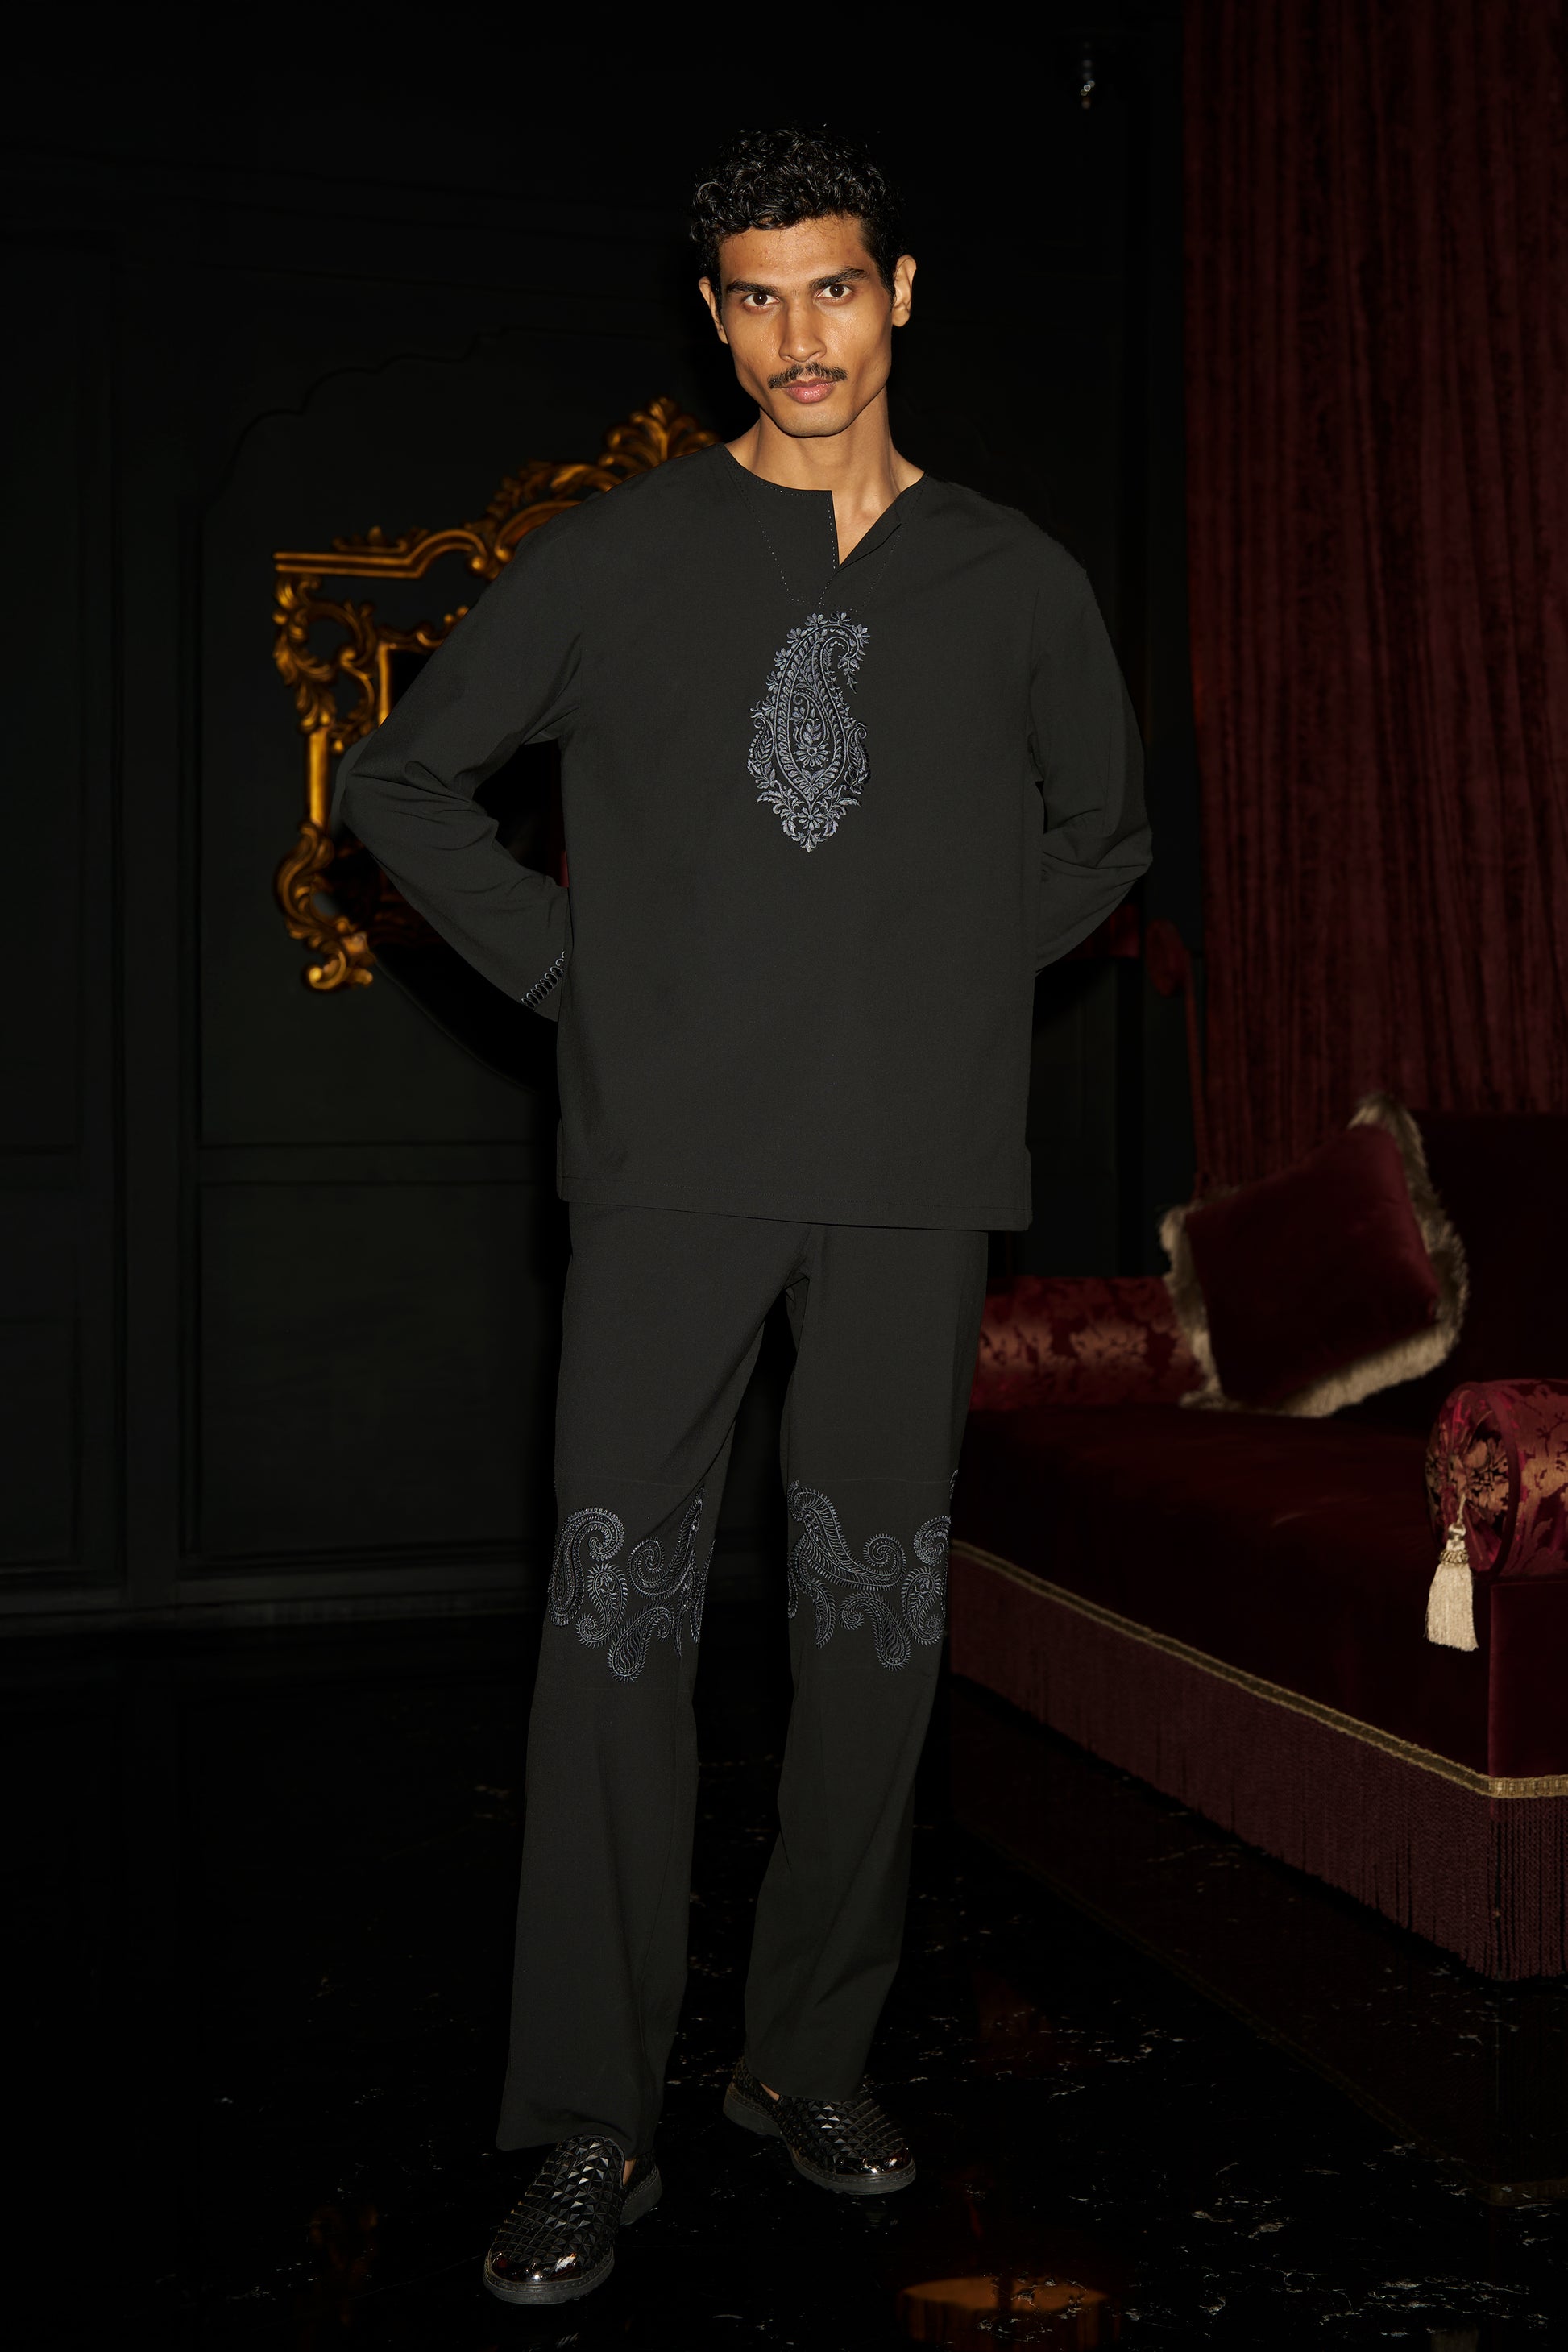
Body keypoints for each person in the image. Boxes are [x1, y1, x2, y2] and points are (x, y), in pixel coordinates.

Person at [334, 125, 1150, 2308]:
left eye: (835, 288)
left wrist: (944, 982)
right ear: (712, 318)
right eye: (758, 297)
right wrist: (583, 975)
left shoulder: (1015, 579)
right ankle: (586, 2125)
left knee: (875, 1635)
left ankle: (808, 2062)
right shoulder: (619, 556)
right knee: (615, 1634)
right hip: (670, 1172)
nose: (802, 336)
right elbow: (398, 780)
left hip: (911, 1179)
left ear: (902, 295)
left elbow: (1104, 833)